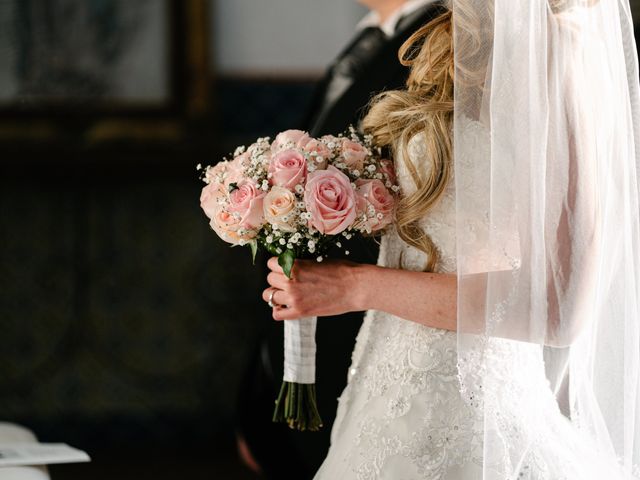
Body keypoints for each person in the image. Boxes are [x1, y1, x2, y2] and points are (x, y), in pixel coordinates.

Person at [264, 0, 640, 478]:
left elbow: (560, 308)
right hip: (384, 388)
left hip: (473, 411)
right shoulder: (447, 36)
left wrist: (356, 286)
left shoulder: (559, 46)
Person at [235, 2, 444, 479]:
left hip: (375, 353)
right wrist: (260, 388)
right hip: (305, 347)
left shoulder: (441, 41)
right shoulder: (367, 40)